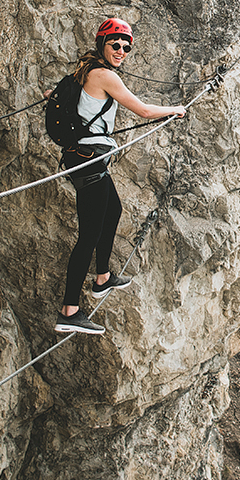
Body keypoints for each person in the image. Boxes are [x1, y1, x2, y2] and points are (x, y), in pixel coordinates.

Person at [53, 18, 187, 335]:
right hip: (87, 161)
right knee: (89, 234)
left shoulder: (84, 72)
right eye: (116, 44)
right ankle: (69, 311)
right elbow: (140, 109)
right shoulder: (104, 75)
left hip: (86, 159)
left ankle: (102, 278)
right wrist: (174, 110)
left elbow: (67, 98)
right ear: (102, 43)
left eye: (127, 46)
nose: (122, 50)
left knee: (113, 210)